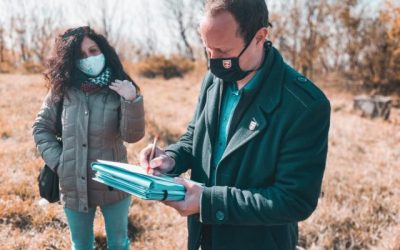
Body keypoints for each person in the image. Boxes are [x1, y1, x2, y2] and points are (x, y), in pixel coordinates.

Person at [139, 1, 331, 249]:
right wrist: (171, 158)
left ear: (260, 37)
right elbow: (197, 136)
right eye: (208, 50)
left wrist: (209, 202)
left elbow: (294, 200)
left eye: (223, 52)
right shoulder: (213, 80)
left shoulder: (305, 105)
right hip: (204, 237)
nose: (213, 61)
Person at [33, 26, 145, 250]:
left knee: (119, 243)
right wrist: (60, 162)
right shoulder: (62, 89)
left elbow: (132, 136)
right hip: (73, 182)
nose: (89, 58)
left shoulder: (120, 86)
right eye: (81, 55)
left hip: (114, 182)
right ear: (71, 60)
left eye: (93, 51)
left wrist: (131, 100)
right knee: (81, 245)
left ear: (103, 50)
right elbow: (41, 128)